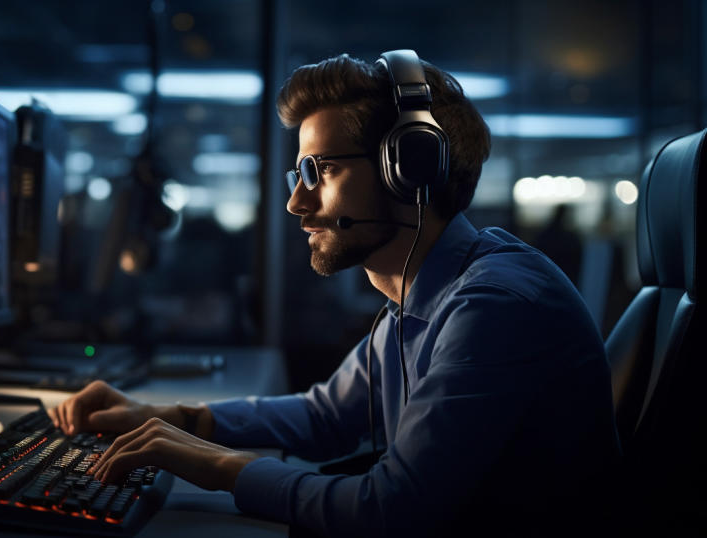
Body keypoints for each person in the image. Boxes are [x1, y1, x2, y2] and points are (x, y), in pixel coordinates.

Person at [48, 51, 621, 536]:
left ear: (409, 169)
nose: (298, 203)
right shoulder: (423, 296)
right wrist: (171, 418)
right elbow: (324, 416)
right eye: (299, 174)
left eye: (317, 171)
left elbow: (390, 509)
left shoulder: (495, 306)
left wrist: (218, 465)